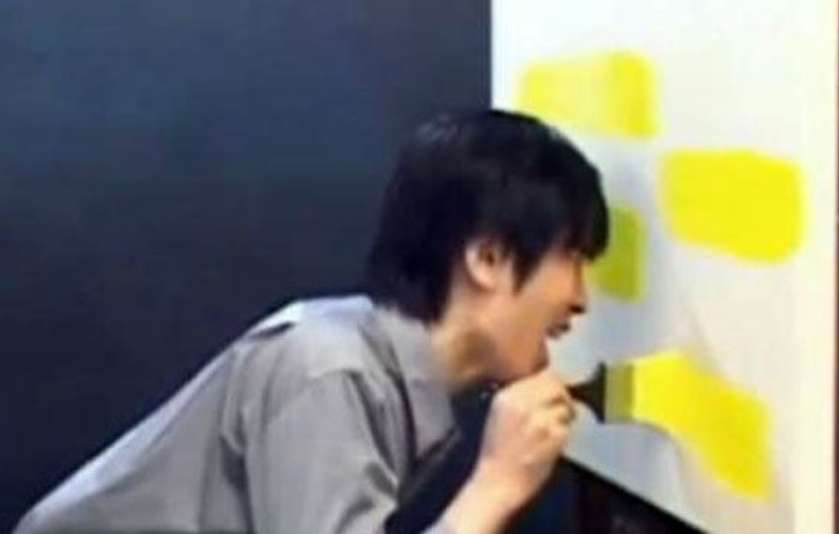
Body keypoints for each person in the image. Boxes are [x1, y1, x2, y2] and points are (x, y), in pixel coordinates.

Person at [15, 110, 609, 534]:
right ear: (488, 258)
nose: (580, 299)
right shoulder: (332, 373)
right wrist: (494, 488)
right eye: (572, 259)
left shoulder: (378, 378)